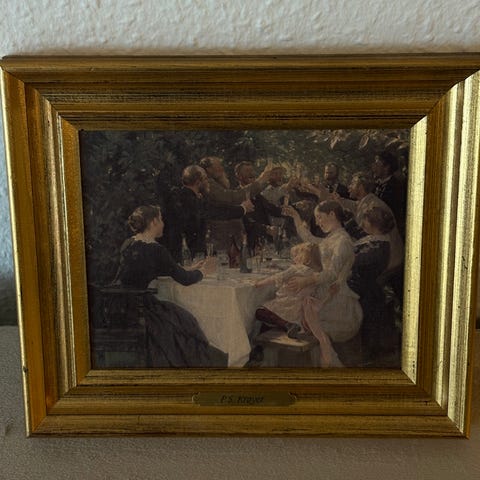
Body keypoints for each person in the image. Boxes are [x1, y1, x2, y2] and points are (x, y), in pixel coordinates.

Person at [114, 205, 227, 367]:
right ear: (153, 222)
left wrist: (191, 268)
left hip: (119, 304)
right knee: (185, 321)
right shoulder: (156, 249)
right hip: (141, 307)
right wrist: (204, 271)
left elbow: (154, 269)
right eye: (161, 219)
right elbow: (185, 280)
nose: (163, 224)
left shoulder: (129, 243)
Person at [283, 201, 363, 346]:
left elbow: (332, 273)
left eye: (320, 217)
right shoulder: (332, 238)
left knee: (298, 313)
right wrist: (295, 216)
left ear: (332, 214)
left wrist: (306, 281)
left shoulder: (343, 241)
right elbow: (310, 239)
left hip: (335, 297)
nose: (317, 223)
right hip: (324, 290)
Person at [164, 165, 252, 262]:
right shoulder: (186, 198)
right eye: (205, 179)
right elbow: (215, 211)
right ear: (198, 182)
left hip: (193, 253)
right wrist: (243, 208)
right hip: (185, 255)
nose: (208, 182)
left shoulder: (191, 197)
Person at [347, 206, 398, 364]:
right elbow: (354, 231)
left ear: (374, 224)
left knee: (368, 325)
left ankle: (367, 355)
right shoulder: (373, 238)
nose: (362, 223)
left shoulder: (378, 247)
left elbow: (353, 260)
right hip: (360, 284)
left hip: (365, 289)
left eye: (366, 220)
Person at [198, 156, 272, 250]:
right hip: (220, 239)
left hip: (230, 238)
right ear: (209, 169)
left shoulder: (218, 184)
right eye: (218, 165)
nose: (221, 168)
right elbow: (232, 197)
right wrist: (261, 180)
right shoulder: (208, 184)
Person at [254, 242, 325, 338]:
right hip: (301, 310)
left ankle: (287, 325)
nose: (294, 258)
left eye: (297, 255)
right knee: (269, 317)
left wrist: (260, 283)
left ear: (306, 259)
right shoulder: (316, 273)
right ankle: (288, 326)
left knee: (259, 312)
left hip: (287, 304)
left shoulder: (296, 269)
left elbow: (277, 277)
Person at [234, 161, 284, 249]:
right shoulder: (236, 196)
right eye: (247, 171)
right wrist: (266, 229)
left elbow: (273, 209)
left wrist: (295, 208)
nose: (251, 174)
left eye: (252, 171)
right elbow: (246, 222)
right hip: (248, 245)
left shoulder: (257, 195)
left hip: (264, 244)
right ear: (239, 176)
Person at [371, 152, 407, 238]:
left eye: (377, 164)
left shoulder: (396, 186)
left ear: (387, 167)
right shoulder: (375, 186)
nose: (373, 167)